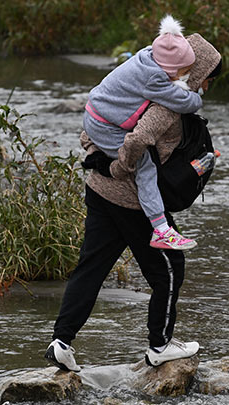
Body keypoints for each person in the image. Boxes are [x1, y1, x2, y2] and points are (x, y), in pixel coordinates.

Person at [44, 31, 222, 371]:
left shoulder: (135, 84)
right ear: (195, 73)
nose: (207, 87)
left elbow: (91, 130)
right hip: (132, 201)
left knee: (91, 269)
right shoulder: (166, 106)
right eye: (207, 79)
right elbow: (139, 138)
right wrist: (122, 165)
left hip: (98, 190)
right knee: (169, 271)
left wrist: (106, 161)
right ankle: (160, 345)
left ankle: (61, 342)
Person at [82, 15, 201, 251]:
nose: (184, 77)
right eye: (183, 73)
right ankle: (161, 229)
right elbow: (186, 102)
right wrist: (197, 94)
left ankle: (101, 159)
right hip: (103, 124)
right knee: (145, 164)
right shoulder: (153, 78)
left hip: (97, 111)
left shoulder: (147, 54)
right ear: (169, 69)